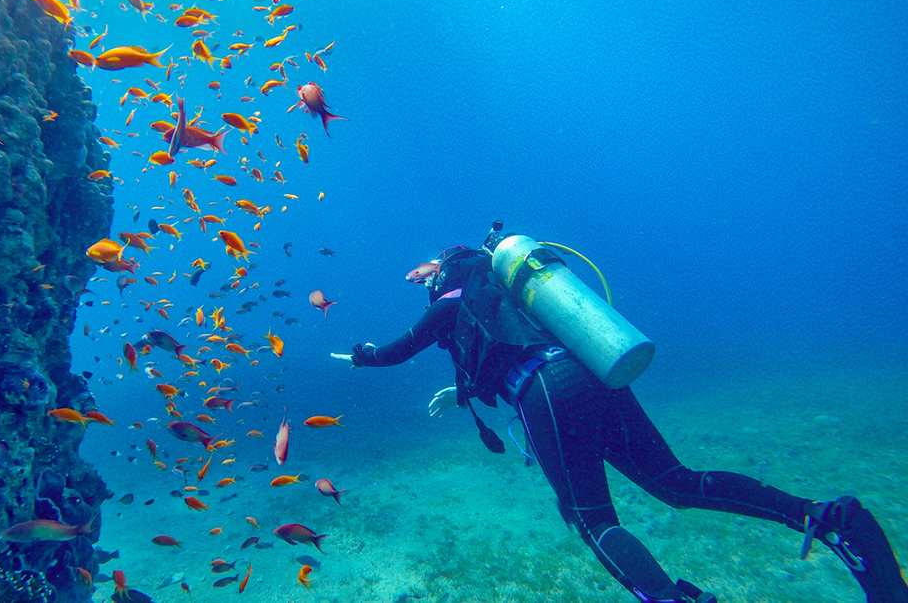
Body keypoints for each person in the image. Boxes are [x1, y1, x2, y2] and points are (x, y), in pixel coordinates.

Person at [332, 224, 908, 603]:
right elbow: (513, 354)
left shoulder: (451, 306)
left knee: (593, 520)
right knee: (676, 483)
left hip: (545, 395)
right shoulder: (514, 302)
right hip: (586, 371)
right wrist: (463, 392)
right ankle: (824, 517)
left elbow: (393, 353)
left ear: (446, 280)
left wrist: (360, 357)